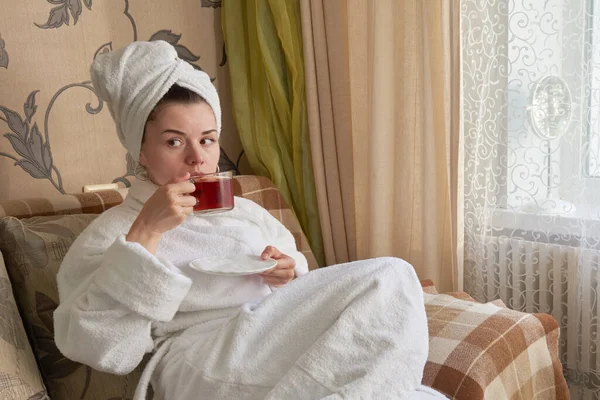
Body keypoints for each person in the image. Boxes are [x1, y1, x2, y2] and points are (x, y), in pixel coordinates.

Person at [53, 40, 444, 400]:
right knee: (390, 275)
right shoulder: (110, 232)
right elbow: (103, 348)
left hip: (268, 337)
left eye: (207, 139)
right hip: (196, 356)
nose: (197, 158)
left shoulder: (248, 213)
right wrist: (147, 231)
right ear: (140, 149)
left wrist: (287, 275)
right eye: (174, 141)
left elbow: (300, 293)